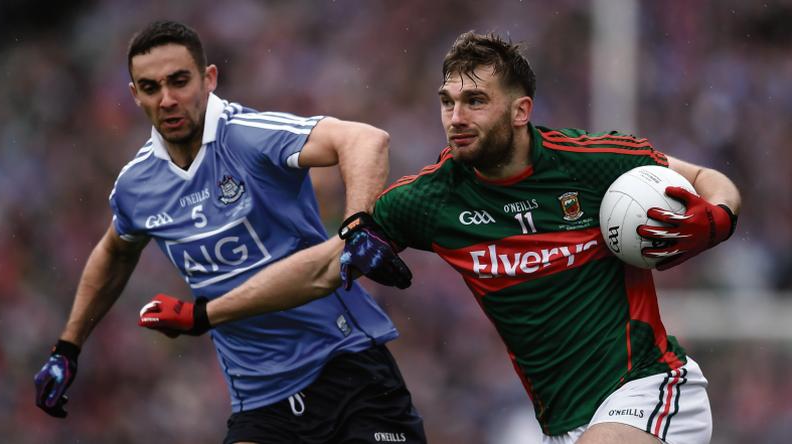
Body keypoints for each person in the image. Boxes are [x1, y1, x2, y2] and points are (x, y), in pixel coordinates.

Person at [139, 31, 741, 444]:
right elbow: (324, 268)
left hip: (651, 387)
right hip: (561, 421)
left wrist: (716, 219)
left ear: (520, 109)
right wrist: (204, 313)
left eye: (475, 101)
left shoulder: (594, 161)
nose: (456, 116)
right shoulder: (429, 200)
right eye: (447, 101)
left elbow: (713, 182)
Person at [33, 20, 426, 444]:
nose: (167, 100)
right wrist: (67, 348)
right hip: (260, 402)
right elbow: (115, 251)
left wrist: (356, 226)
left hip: (347, 367)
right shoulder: (136, 186)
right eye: (150, 88)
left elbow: (365, 140)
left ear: (209, 79)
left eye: (179, 81)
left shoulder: (249, 137)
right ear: (134, 95)